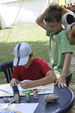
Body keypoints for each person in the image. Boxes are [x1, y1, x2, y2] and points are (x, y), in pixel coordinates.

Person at [36, 4, 73, 87]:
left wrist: (62, 76)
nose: (50, 28)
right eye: (48, 26)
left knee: (62, 96)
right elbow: (38, 21)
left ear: (60, 22)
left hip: (63, 74)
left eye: (52, 26)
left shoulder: (62, 35)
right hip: (56, 72)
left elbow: (68, 55)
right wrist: (48, 9)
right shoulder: (52, 32)